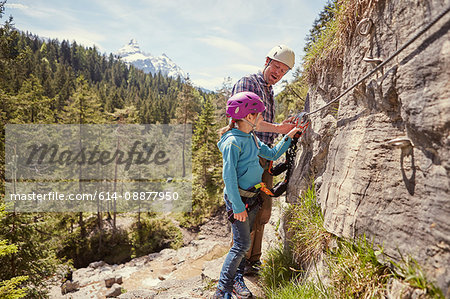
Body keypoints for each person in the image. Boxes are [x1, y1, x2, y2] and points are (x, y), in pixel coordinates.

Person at [213, 91, 303, 299]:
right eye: (260, 115)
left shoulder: (250, 137)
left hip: (250, 198)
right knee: (241, 245)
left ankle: (236, 281)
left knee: (244, 241)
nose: (262, 119)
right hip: (239, 200)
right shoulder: (232, 142)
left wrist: (288, 137)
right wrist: (237, 207)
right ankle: (222, 290)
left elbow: (271, 155)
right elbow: (229, 178)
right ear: (248, 117)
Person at [231, 44, 296, 274]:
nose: (278, 73)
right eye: (276, 67)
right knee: (248, 211)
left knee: (263, 211)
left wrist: (282, 130)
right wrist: (281, 128)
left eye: (284, 71)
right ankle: (239, 263)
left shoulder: (268, 89)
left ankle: (252, 260)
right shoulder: (249, 83)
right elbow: (249, 121)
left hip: (263, 156)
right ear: (267, 60)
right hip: (247, 157)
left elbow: (264, 125)